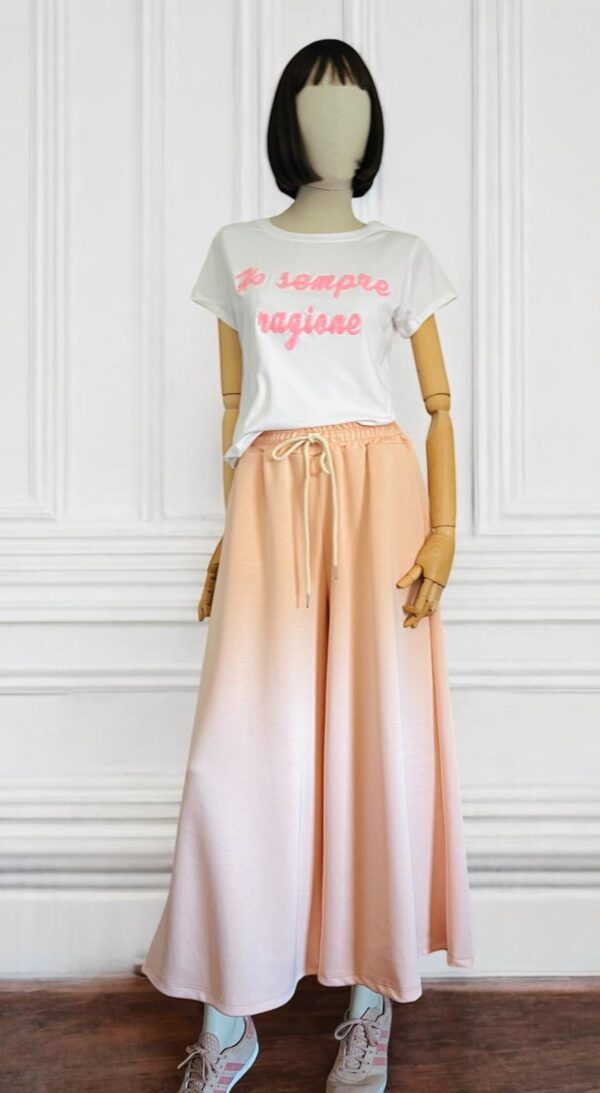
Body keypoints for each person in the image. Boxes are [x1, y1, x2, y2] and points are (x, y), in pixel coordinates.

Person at [142, 38, 475, 1093]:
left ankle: (370, 1007)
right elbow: (234, 408)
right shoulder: (235, 247)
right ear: (285, 123)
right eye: (320, 106)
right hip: (271, 496)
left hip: (382, 499)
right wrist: (233, 528)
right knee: (238, 754)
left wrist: (446, 527)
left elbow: (438, 407)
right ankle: (227, 1015)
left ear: (376, 127)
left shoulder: (402, 254)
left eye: (357, 106)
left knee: (379, 742)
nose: (340, 125)